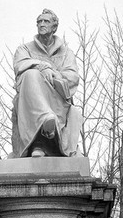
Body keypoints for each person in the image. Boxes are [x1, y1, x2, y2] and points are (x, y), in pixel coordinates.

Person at [10, 9, 82, 158]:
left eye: (46, 21)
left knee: (32, 75)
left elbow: (73, 77)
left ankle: (46, 129)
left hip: (57, 100)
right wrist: (43, 67)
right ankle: (45, 121)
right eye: (39, 22)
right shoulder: (24, 49)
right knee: (30, 74)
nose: (41, 24)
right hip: (29, 101)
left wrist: (55, 75)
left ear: (54, 27)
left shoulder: (66, 53)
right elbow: (19, 66)